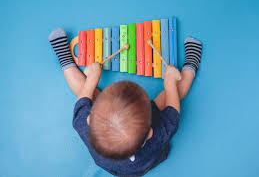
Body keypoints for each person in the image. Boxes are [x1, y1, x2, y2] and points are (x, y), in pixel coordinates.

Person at [48, 28, 202, 176]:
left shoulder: (84, 126)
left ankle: (65, 59)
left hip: (112, 166)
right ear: (149, 132)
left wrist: (92, 79)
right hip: (148, 160)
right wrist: (170, 82)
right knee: (170, 94)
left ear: (90, 119)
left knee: (87, 91)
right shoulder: (160, 134)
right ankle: (191, 65)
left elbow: (82, 98)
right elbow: (173, 108)